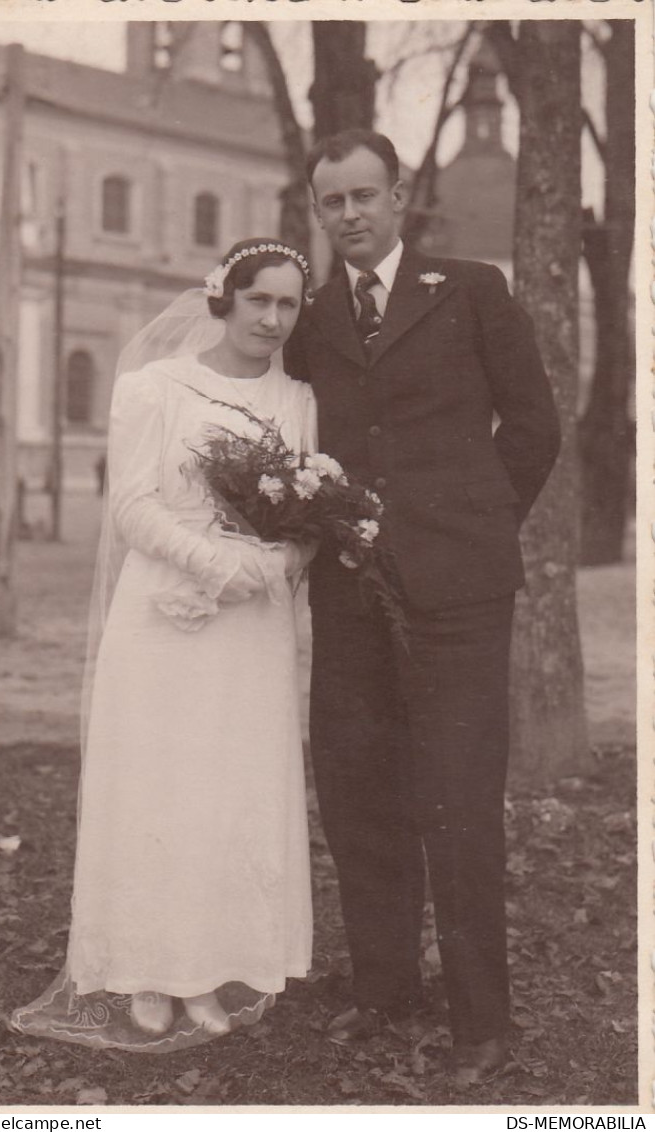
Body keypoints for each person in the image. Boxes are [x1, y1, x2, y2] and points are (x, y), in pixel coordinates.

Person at [284, 129, 561, 1084]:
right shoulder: (314, 316)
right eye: (332, 202)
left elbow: (532, 425)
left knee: (457, 799)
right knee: (361, 793)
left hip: (459, 596)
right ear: (316, 211)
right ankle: (384, 990)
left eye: (365, 196)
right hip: (351, 595)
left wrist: (471, 528)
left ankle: (482, 1019)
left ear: (399, 197)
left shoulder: (470, 289)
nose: (350, 215)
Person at [12, 239, 316, 1052]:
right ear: (225, 297)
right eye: (259, 300)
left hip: (252, 624)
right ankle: (147, 968)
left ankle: (211, 964)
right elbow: (133, 505)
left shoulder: (297, 398)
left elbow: (309, 505)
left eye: (288, 305)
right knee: (158, 784)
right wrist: (215, 563)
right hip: (165, 611)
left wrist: (282, 559)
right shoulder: (156, 387)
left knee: (230, 786)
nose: (272, 319)